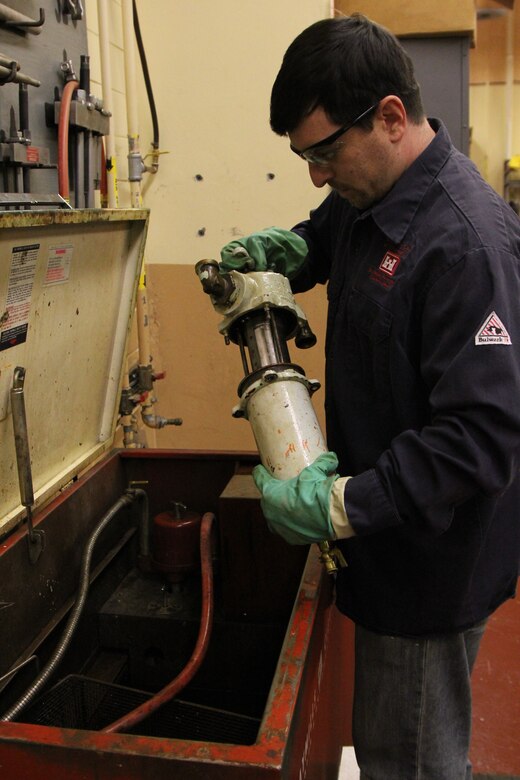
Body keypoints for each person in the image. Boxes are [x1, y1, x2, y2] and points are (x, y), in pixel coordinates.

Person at [219, 14, 520, 780]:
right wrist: (286, 253)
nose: (317, 176)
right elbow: (328, 235)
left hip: (429, 564)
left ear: (390, 116)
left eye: (324, 154)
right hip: (387, 545)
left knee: (408, 759)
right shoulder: (369, 190)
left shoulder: (465, 245)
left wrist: (339, 505)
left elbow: (478, 441)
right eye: (305, 158)